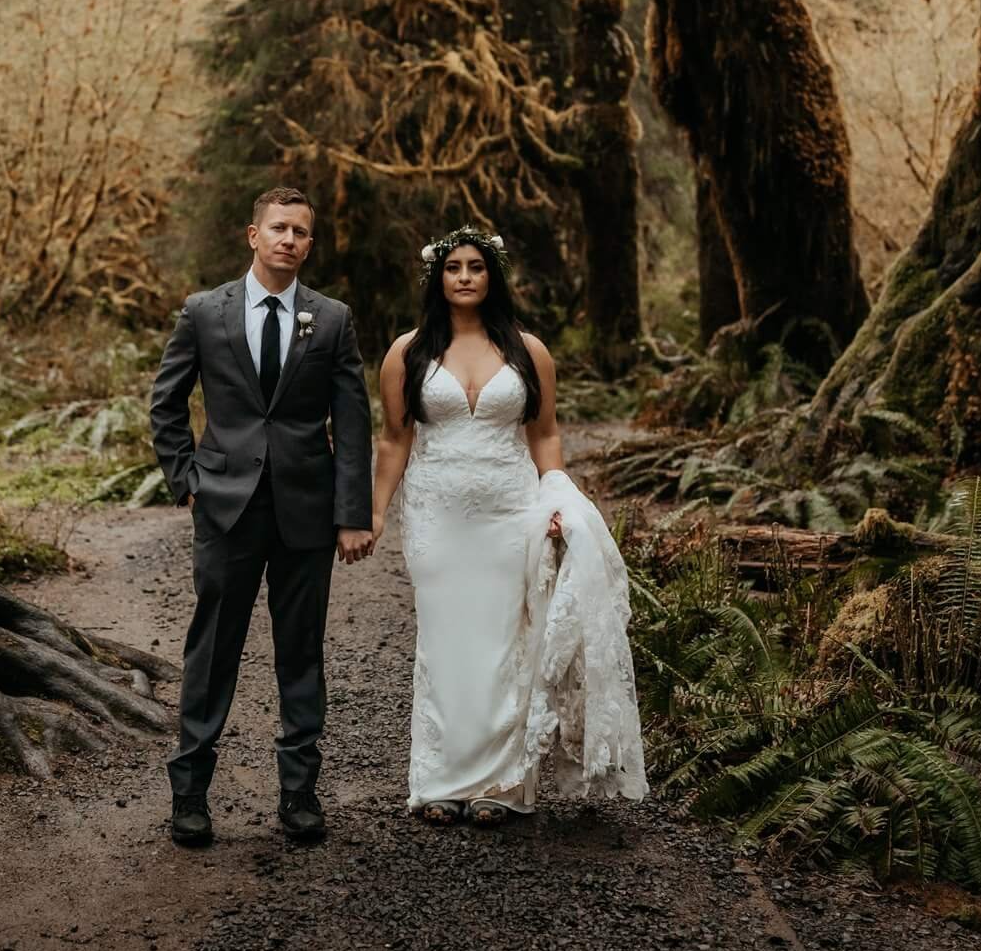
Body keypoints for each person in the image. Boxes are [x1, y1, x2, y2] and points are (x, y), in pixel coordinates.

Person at [369, 226, 646, 826]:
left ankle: (500, 783)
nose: (465, 276)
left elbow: (544, 434)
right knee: (444, 643)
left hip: (509, 511)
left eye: (476, 266)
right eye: (453, 268)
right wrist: (375, 511)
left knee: (505, 641)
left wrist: (555, 499)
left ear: (492, 276)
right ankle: (439, 781)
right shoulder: (407, 351)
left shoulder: (529, 351)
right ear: (437, 278)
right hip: (437, 515)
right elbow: (395, 438)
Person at [148, 186, 374, 847]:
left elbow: (353, 423)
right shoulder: (203, 311)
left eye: (301, 231)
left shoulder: (330, 319)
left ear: (309, 243)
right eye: (279, 227)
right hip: (225, 509)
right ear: (253, 234)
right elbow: (167, 403)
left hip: (305, 510)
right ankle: (189, 792)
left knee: (301, 652)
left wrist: (350, 513)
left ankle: (299, 792)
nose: (290, 239)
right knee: (212, 649)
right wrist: (185, 479)